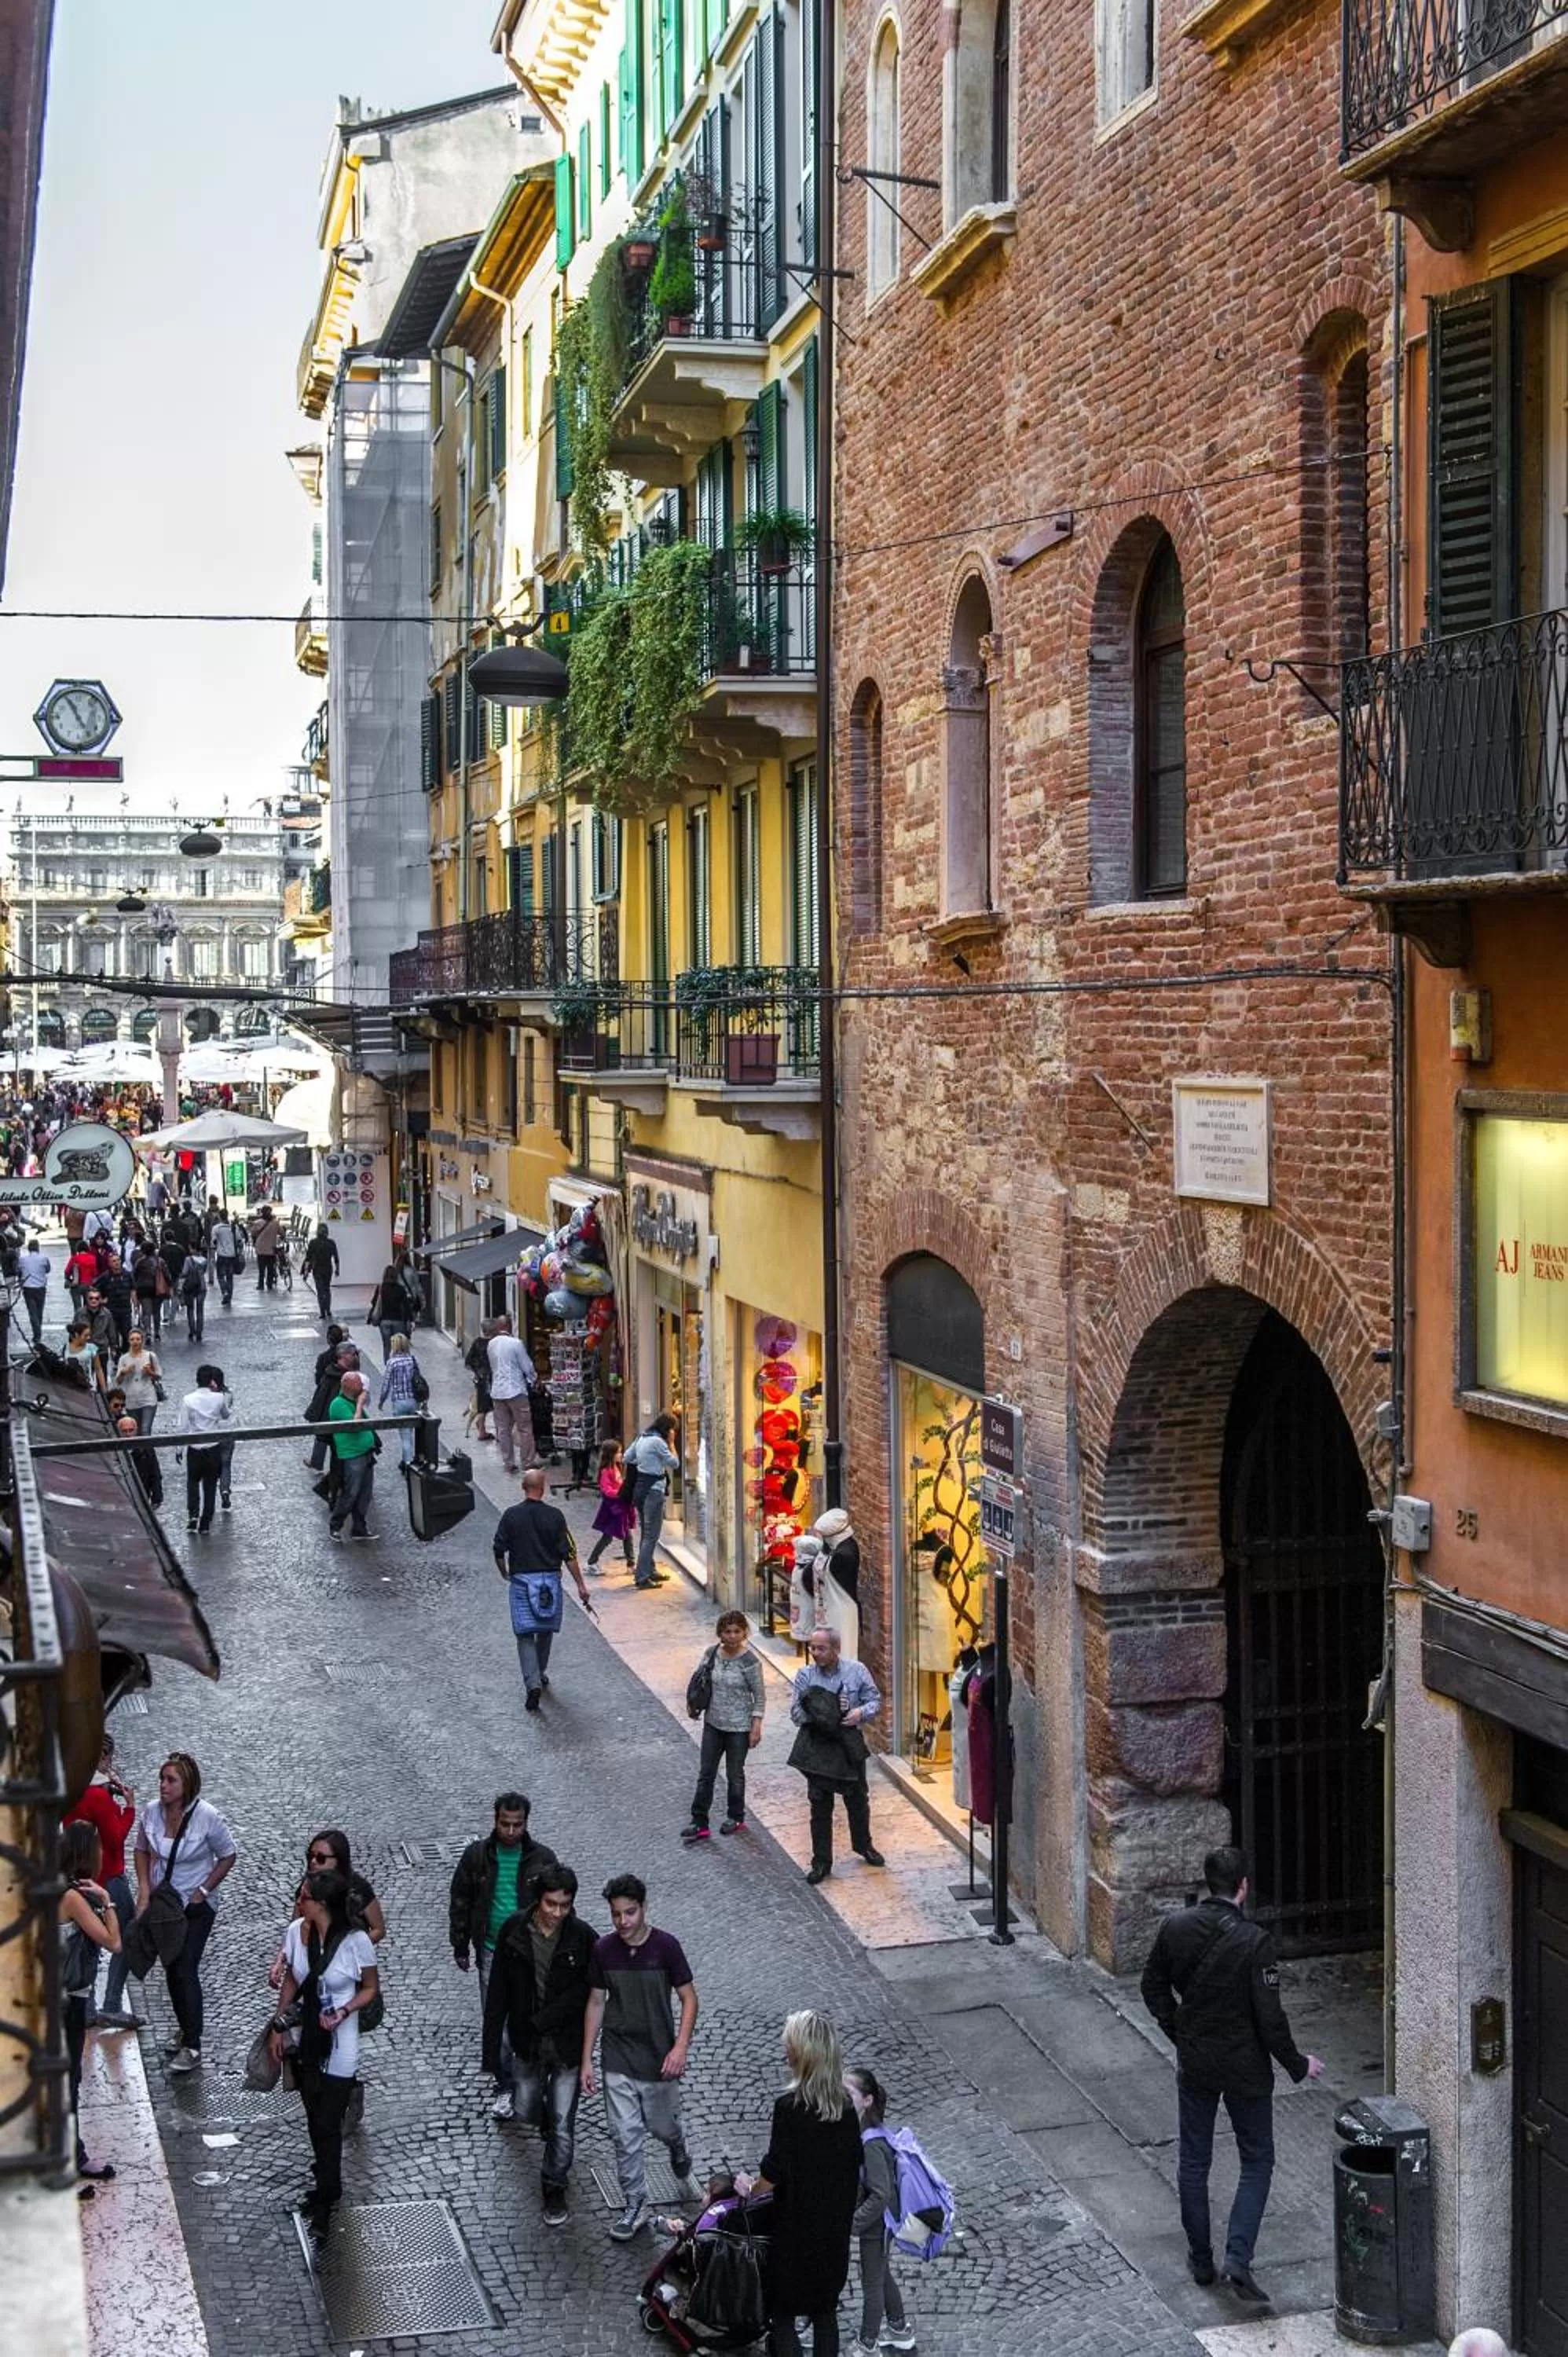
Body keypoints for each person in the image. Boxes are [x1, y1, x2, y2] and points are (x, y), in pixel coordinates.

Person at [1140, 1844, 1324, 2304]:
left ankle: (1201, 2259)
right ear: (1243, 1887)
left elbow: (1152, 1986)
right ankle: (1238, 2259)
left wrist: (1176, 2029)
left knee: (1194, 2161)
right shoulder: (1255, 1942)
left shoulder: (1175, 1928)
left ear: (1209, 1883)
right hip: (1245, 2066)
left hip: (1197, 2059)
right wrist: (1299, 2066)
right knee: (1257, 2160)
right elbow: (1271, 2019)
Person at [581, 1873, 698, 2242]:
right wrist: (587, 2059)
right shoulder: (603, 1950)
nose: (622, 1922)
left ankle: (677, 2143)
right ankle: (636, 2204)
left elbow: (689, 1998)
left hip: (658, 2059)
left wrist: (680, 2046)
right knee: (624, 2135)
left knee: (662, 2126)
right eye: (616, 1914)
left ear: (644, 1909)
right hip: (618, 2056)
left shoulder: (666, 1947)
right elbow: (596, 2002)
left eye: (630, 1913)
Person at [739, 2011, 864, 2357]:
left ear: (802, 2054)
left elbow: (773, 2172)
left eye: (789, 2045)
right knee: (825, 2314)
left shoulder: (789, 2109)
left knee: (783, 2314)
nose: (785, 2051)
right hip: (833, 2233)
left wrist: (748, 2189)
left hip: (794, 2230)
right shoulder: (846, 2110)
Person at [482, 1860, 597, 2225]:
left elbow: (588, 1993)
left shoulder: (583, 1937)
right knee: (527, 2106)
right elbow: (498, 1989)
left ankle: (554, 2187)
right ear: (538, 1901)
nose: (557, 1913)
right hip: (526, 2043)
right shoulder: (514, 1931)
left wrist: (548, 2021)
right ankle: (545, 2122)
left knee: (564, 2124)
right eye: (551, 1904)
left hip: (565, 2046)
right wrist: (491, 2050)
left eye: (564, 1905)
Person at [268, 1868, 379, 2242]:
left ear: (322, 1905)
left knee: (328, 2121)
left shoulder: (355, 1942)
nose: (299, 1903)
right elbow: (293, 1981)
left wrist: (344, 2012)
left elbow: (369, 1988)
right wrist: (277, 2028)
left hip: (340, 2044)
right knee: (315, 2117)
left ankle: (328, 2197)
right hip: (306, 2039)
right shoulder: (294, 1933)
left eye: (304, 1898)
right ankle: (325, 2184)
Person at [130, 1750, 237, 2074]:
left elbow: (228, 1855)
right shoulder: (151, 1813)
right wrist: (145, 1890)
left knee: (184, 1968)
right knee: (171, 1966)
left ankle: (193, 2044)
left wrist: (203, 1891)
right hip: (165, 1906)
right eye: (162, 1779)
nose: (163, 1785)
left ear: (186, 1784)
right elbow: (141, 1850)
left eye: (171, 1780)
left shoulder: (208, 1817)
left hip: (195, 1908)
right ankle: (185, 2028)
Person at [449, 1793, 557, 2110]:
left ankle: (531, 2078)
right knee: (497, 2020)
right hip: (492, 1951)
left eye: (517, 1825)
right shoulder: (478, 1856)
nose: (511, 1831)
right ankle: (506, 2084)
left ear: (526, 1823)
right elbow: (461, 1900)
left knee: (531, 2018)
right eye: (505, 1824)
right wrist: (460, 1944)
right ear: (495, 1821)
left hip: (531, 1954)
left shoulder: (543, 1859)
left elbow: (559, 1905)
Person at [788, 1628, 886, 1884]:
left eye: (821, 1648)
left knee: (858, 1801)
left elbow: (874, 1700)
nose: (815, 1653)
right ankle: (821, 1861)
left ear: (835, 1649)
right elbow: (796, 1714)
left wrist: (859, 1713)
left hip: (847, 1744)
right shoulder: (805, 1677)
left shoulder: (856, 1671)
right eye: (813, 1648)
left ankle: (864, 1845)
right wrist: (819, 1714)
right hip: (818, 1747)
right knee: (819, 1806)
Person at [492, 1467, 595, 1710]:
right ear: (543, 1488)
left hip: (521, 1581)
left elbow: (498, 1549)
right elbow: (568, 1553)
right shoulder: (555, 1516)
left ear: (523, 1488)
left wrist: (504, 1571)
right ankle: (540, 1671)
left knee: (524, 1634)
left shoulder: (510, 1516)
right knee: (545, 1629)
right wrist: (580, 1584)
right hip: (549, 1581)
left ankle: (533, 1682)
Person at [57, 1820, 121, 2184]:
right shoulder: (73, 1898)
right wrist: (107, 1900)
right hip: (67, 2002)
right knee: (66, 2082)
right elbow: (114, 1942)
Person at [64, 1732, 139, 2028]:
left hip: (79, 1876)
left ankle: (88, 2007)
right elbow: (115, 1838)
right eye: (109, 1759)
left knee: (87, 1941)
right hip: (109, 1876)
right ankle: (110, 2003)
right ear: (102, 1759)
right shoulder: (99, 1797)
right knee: (125, 1935)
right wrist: (128, 1808)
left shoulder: (72, 1790)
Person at [845, 2066, 915, 2356]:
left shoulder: (872, 2143)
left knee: (871, 2282)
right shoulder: (868, 2132)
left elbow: (881, 2193)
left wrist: (854, 2222)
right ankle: (899, 2330)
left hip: (878, 2223)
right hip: (879, 2223)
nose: (842, 2098)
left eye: (848, 2094)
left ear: (867, 2100)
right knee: (881, 2272)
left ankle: (867, 2344)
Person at [683, 1611, 765, 1843]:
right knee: (706, 1774)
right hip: (714, 1723)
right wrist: (693, 1703)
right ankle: (699, 1821)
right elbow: (700, 1679)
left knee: (734, 1775)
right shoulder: (711, 1654)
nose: (732, 1636)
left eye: (737, 1631)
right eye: (727, 1632)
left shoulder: (750, 1662)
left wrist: (756, 1725)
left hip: (739, 1727)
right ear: (720, 1633)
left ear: (744, 1633)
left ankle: (736, 1816)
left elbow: (759, 1696)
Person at [625, 1414, 680, 1590]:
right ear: (668, 1429)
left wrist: (644, 1462)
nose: (674, 1433)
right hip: (654, 1490)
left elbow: (626, 1457)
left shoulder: (642, 1437)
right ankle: (642, 1576)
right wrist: (671, 1444)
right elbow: (675, 1463)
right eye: (673, 1430)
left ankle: (649, 1568)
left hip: (640, 1490)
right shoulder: (658, 1442)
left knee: (646, 1533)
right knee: (651, 1535)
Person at [175, 1363, 231, 1534]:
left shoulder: (188, 1400)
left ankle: (193, 1516)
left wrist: (179, 1449)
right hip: (213, 1447)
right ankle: (206, 1521)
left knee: (192, 1483)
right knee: (210, 1486)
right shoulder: (219, 1398)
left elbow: (182, 1426)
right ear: (211, 1381)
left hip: (195, 1447)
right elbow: (226, 1415)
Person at [328, 1369, 378, 1541]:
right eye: (359, 1383)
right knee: (351, 1493)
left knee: (365, 1493)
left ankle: (359, 1527)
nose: (363, 1387)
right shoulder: (339, 1404)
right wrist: (360, 1405)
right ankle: (335, 1525)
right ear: (349, 1386)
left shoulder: (353, 1399)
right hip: (352, 1455)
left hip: (365, 1453)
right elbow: (354, 1425)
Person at [485, 1313, 537, 1478]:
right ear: (509, 1326)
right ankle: (527, 1462)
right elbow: (527, 1366)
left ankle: (508, 1463)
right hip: (516, 1390)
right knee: (525, 1428)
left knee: (503, 1429)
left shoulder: (491, 1344)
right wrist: (534, 1379)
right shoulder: (516, 1343)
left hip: (498, 1392)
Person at [811, 1508, 862, 1661]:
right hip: (824, 1609)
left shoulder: (846, 1554)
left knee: (842, 1653)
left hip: (842, 1613)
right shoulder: (830, 1550)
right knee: (822, 1651)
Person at [305, 1330, 355, 1474]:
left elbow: (317, 1379)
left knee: (322, 1433)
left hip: (326, 1398)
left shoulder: (324, 1358)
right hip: (344, 1399)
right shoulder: (351, 1360)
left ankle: (317, 1462)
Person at [586, 1440, 636, 1573]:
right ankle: (592, 1562)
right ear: (612, 1454)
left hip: (619, 1507)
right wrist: (621, 1493)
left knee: (625, 1535)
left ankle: (630, 1564)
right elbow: (607, 1490)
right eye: (619, 1452)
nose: (621, 1455)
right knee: (609, 1536)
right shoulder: (606, 1471)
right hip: (614, 1509)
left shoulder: (616, 1467)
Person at [376, 1332, 424, 1464]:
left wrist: (381, 1401)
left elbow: (386, 1385)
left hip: (399, 1402)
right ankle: (409, 1459)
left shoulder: (392, 1363)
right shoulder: (413, 1360)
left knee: (405, 1436)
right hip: (414, 1401)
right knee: (411, 1432)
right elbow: (419, 1381)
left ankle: (407, 1463)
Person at [369, 1248, 420, 1358]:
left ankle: (389, 1366)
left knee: (387, 1346)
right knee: (399, 1346)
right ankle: (398, 1364)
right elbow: (406, 1307)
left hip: (384, 1321)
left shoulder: (381, 1288)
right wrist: (411, 1320)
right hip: (398, 1322)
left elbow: (374, 1303)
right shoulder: (400, 1289)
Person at [114, 1329, 163, 1435]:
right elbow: (118, 1381)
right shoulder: (124, 1359)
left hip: (148, 1398)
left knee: (145, 1430)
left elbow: (158, 1376)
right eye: (132, 1339)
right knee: (136, 1431)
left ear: (142, 1341)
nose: (135, 1342)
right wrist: (124, 1372)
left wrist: (150, 1372)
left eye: (138, 1339)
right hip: (131, 1400)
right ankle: (139, 1451)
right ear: (128, 1341)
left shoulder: (151, 1356)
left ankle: (148, 1451)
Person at [118, 1410, 164, 1509]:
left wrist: (157, 1498)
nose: (128, 1434)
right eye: (125, 1431)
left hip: (143, 1494)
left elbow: (155, 1474)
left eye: (131, 1430)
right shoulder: (115, 1451)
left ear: (136, 1430)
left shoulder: (146, 1450)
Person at [302, 1222, 339, 1320]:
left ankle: (322, 1312)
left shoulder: (313, 1243)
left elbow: (308, 1258)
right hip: (328, 1269)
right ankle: (328, 1310)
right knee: (327, 1289)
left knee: (320, 1290)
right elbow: (336, 1258)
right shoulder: (331, 1243)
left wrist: (306, 1272)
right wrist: (337, 1270)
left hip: (317, 1269)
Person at [17, 1233, 49, 1345]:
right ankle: (38, 1332)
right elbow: (48, 1269)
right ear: (38, 1248)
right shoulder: (44, 1258)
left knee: (32, 1312)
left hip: (28, 1288)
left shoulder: (22, 1259)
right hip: (40, 1288)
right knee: (39, 1311)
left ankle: (37, 1333)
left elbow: (19, 1271)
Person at [465, 1325, 495, 1442]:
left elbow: (468, 1362)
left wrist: (477, 1371)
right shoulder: (494, 1344)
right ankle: (484, 1430)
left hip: (481, 1378)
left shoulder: (477, 1342)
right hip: (493, 1377)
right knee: (492, 1404)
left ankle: (481, 1429)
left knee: (482, 1404)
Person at [208, 1209, 240, 1308]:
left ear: (220, 1217)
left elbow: (213, 1242)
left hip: (221, 1255)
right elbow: (239, 1240)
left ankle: (225, 1291)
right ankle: (229, 1296)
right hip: (232, 1255)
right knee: (230, 1277)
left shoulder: (216, 1228)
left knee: (221, 1276)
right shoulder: (233, 1228)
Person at [64, 1318, 104, 1394]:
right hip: (70, 1388)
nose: (88, 1338)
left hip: (88, 1387)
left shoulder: (91, 1348)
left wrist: (104, 1389)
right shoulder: (66, 1348)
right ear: (77, 1335)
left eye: (89, 1335)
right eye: (85, 1335)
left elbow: (99, 1369)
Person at [251, 1203, 280, 1289]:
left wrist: (254, 1243)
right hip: (271, 1249)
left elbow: (253, 1234)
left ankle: (261, 1285)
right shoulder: (275, 1223)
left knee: (261, 1269)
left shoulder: (257, 1223)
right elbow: (282, 1233)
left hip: (261, 1249)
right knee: (271, 1268)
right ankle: (269, 1283)